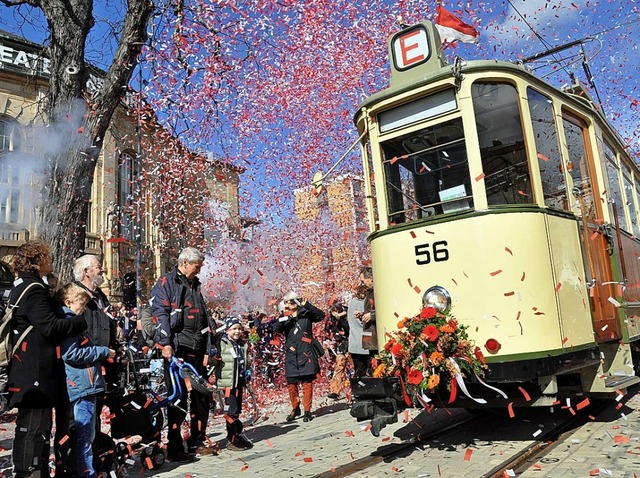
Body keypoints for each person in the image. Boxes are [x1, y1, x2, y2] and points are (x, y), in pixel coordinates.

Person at [7, 240, 87, 478]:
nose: (51, 262)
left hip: (28, 368)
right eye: (47, 258)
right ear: (37, 260)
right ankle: (29, 471)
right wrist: (79, 321)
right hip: (34, 371)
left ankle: (35, 469)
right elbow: (49, 327)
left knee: (37, 426)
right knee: (34, 427)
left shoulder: (21, 285)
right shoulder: (34, 289)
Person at [151, 246, 213, 461]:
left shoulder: (196, 285)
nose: (200, 270)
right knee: (178, 397)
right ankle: (175, 447)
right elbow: (160, 313)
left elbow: (204, 319)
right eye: (197, 266)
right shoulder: (167, 283)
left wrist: (208, 348)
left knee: (202, 395)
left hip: (197, 349)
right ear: (185, 263)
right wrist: (165, 343)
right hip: (178, 350)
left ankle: (197, 440)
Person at [57, 283, 116, 478]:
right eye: (80, 306)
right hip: (82, 385)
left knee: (87, 432)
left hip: (87, 384)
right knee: (84, 434)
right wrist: (102, 351)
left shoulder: (74, 321)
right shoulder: (69, 323)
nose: (83, 310)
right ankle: (86, 472)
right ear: (68, 302)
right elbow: (71, 353)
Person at [273, 291, 325, 423]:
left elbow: (321, 315)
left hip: (305, 352)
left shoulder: (306, 314)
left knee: (307, 383)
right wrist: (283, 315)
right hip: (291, 355)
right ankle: (295, 408)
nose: (289, 304)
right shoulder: (285, 317)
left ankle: (307, 410)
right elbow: (276, 328)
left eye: (291, 301)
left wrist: (306, 304)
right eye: (286, 302)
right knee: (292, 384)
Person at [210, 317, 254, 450]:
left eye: (239, 328)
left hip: (239, 381)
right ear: (227, 330)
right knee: (232, 411)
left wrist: (247, 371)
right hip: (228, 383)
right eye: (234, 328)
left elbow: (244, 361)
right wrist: (213, 358)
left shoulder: (242, 344)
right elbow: (215, 362)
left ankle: (237, 435)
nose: (237, 331)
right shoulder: (222, 343)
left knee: (237, 410)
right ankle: (231, 439)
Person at [326, 300, 350, 400]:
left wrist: (341, 316)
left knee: (353, 367)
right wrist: (329, 341)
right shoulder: (332, 318)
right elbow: (329, 329)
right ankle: (335, 391)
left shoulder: (346, 314)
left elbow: (348, 331)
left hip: (351, 343)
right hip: (341, 344)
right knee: (339, 366)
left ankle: (354, 390)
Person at [357, 267, 377, 374]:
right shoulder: (369, 293)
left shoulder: (378, 291)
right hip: (370, 334)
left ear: (370, 278)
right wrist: (363, 315)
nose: (362, 284)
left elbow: (384, 308)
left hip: (375, 335)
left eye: (363, 281)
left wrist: (372, 315)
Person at [347, 284, 370, 377]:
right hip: (366, 343)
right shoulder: (365, 303)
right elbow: (364, 323)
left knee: (359, 374)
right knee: (371, 374)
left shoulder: (351, 302)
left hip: (354, 343)